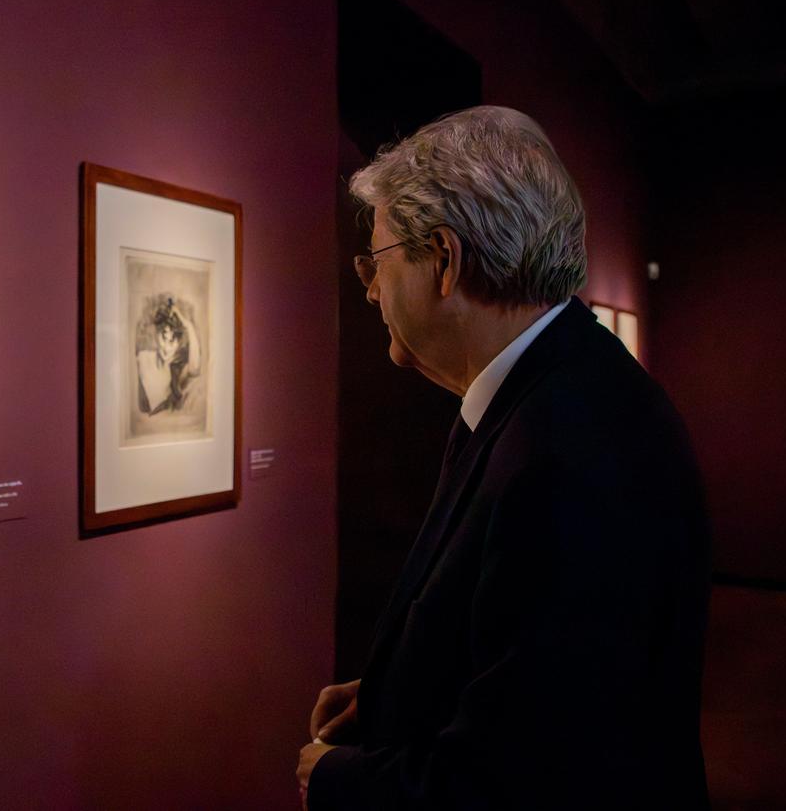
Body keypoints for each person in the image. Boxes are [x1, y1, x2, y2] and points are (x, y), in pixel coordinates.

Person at [297, 107, 710, 809]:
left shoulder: (569, 454)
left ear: (446, 260)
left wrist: (330, 777)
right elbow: (533, 654)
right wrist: (400, 684)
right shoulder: (550, 388)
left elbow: (525, 778)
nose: (368, 287)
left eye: (378, 259)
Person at [136, 294, 202, 415]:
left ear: (179, 342)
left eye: (172, 341)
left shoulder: (178, 368)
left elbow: (195, 369)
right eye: (163, 336)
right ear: (157, 334)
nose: (167, 346)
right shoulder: (143, 358)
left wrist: (188, 325)